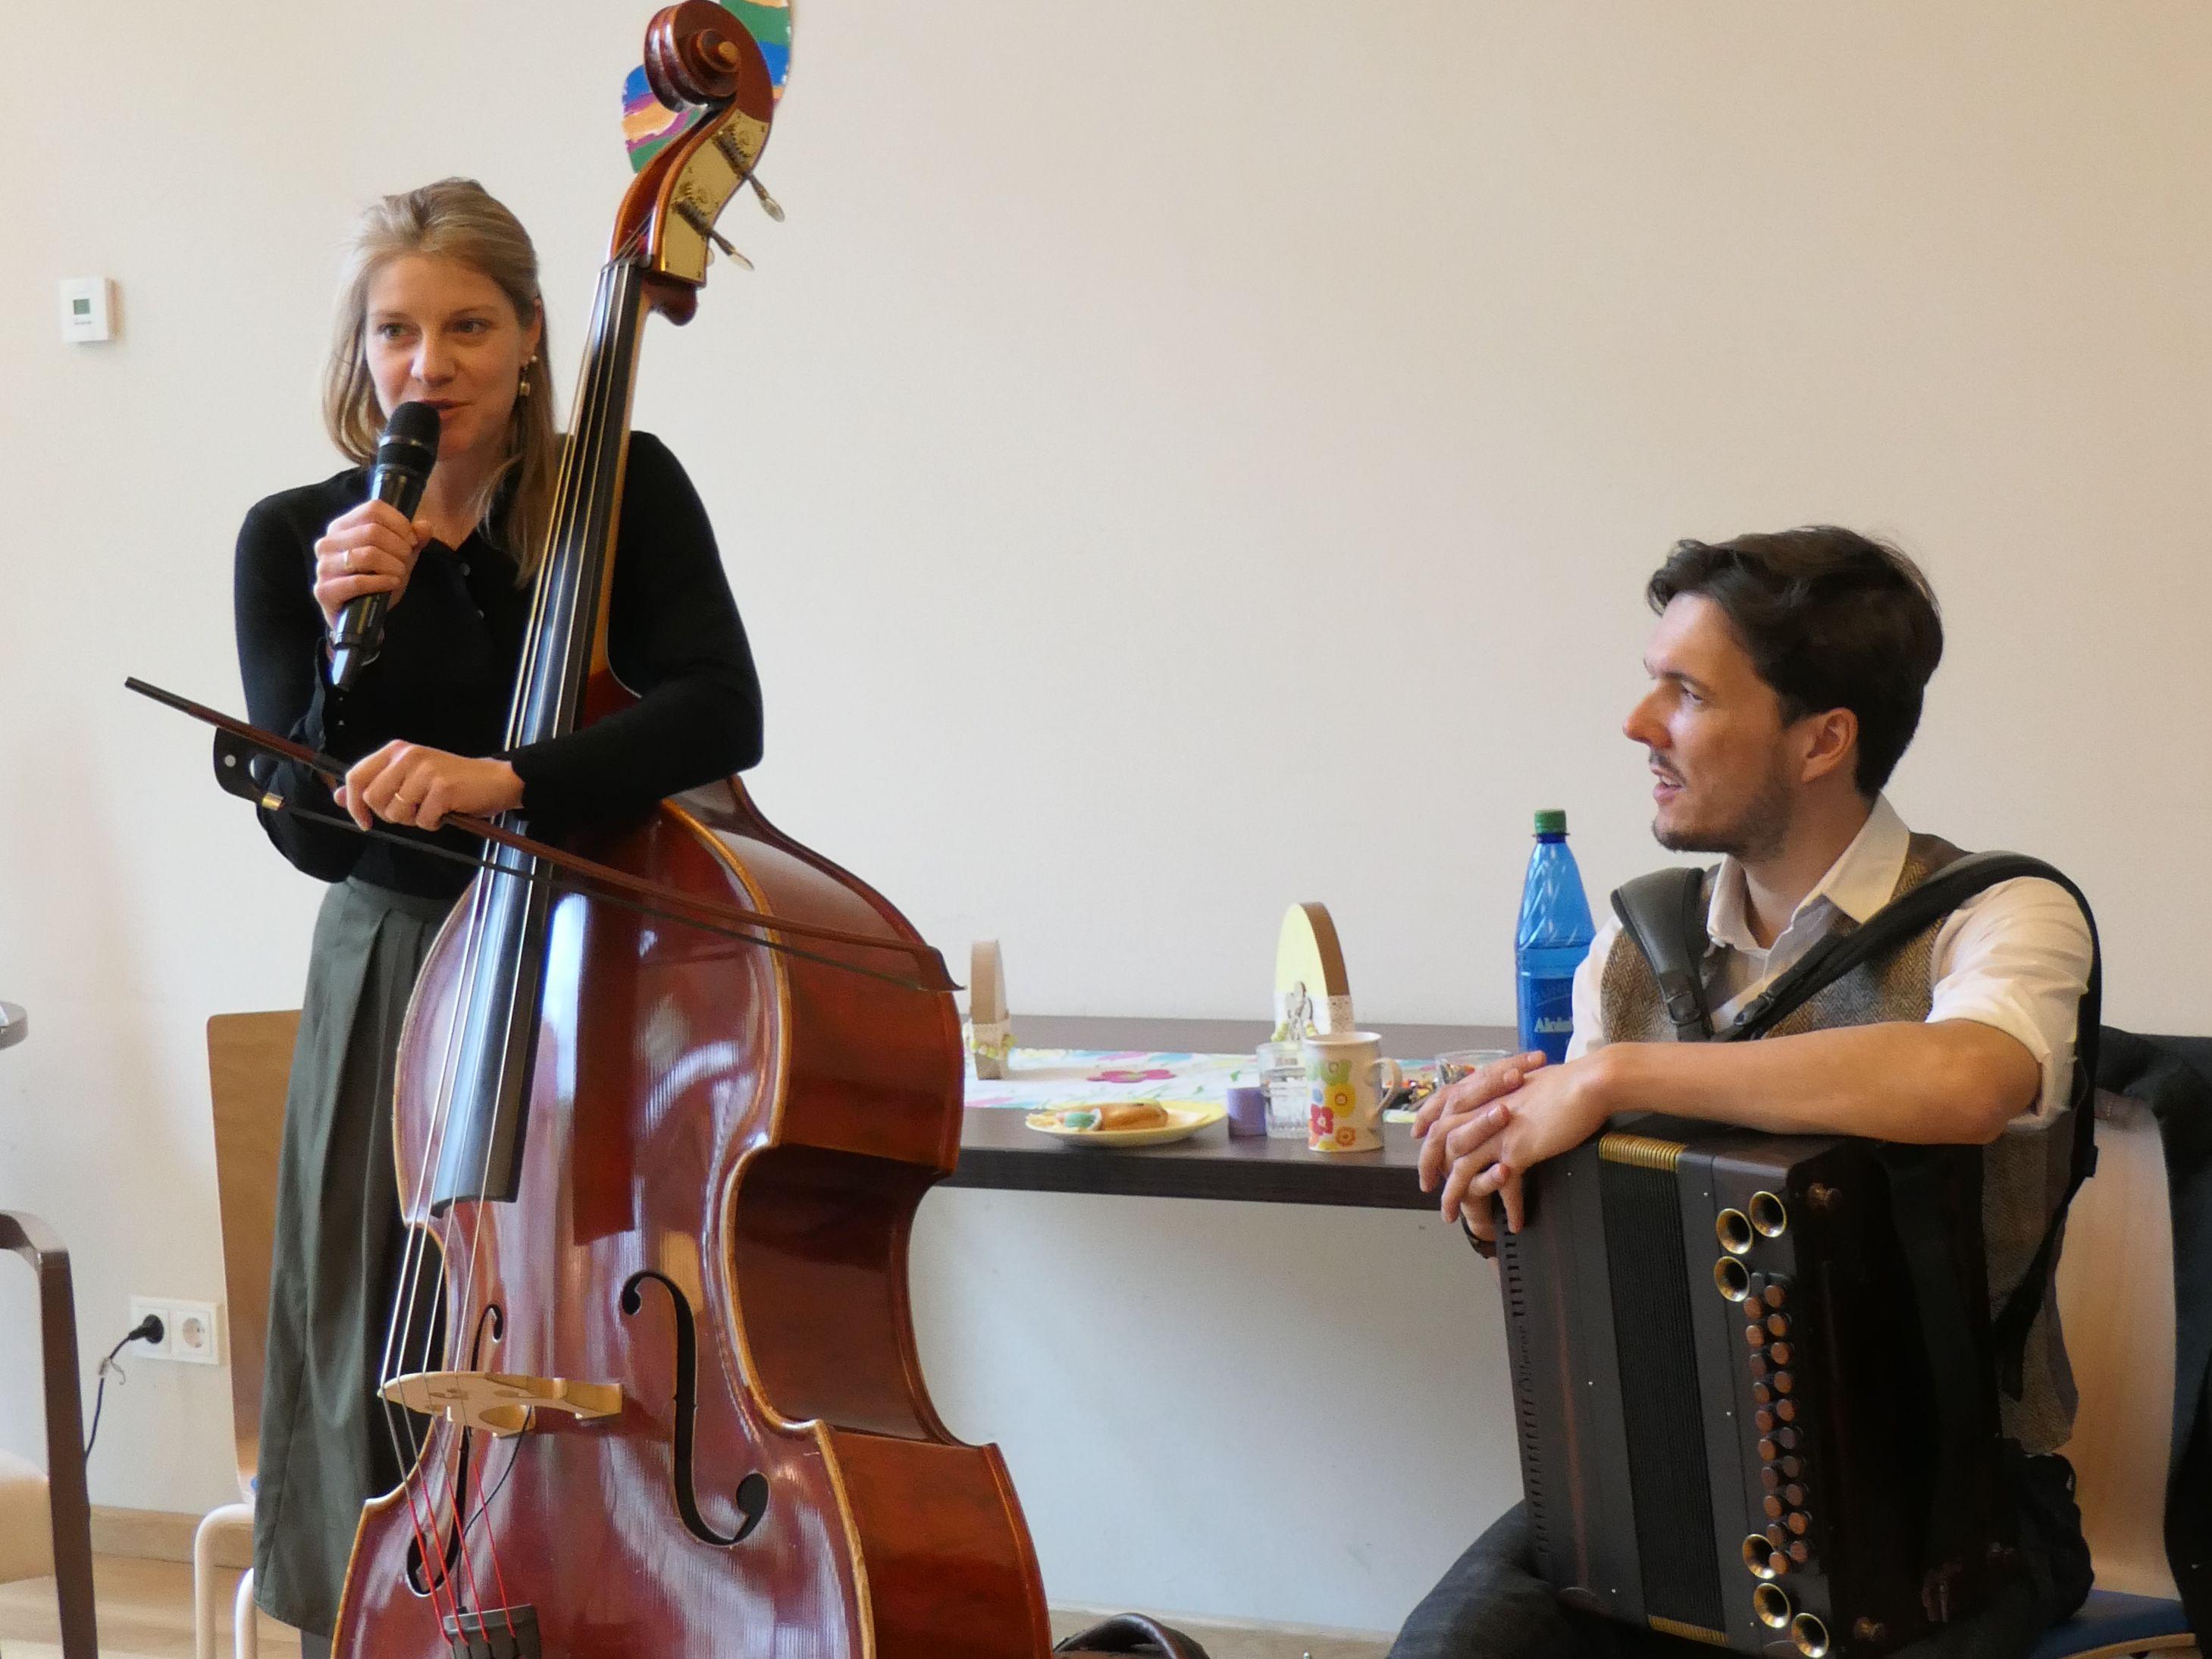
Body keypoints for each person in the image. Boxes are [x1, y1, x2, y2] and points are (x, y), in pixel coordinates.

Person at [1394, 528, 2095, 1659]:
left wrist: (1613, 1075)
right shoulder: (1633, 947)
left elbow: (1967, 1078)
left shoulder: (2000, 913)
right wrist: (1498, 1168)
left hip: (1949, 1500)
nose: (1638, 725)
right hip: (1661, 1468)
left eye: (1687, 693)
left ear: (1822, 739)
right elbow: (1589, 1230)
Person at [232, 177, 763, 1656]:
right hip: (400, 972)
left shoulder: (621, 490)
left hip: (598, 963)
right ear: (360, 350)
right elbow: (307, 832)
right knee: (379, 1327)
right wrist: (349, 644)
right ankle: (387, 1618)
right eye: (396, 330)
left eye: (468, 325)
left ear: (532, 336)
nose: (431, 363)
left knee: (593, 1318)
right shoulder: (297, 537)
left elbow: (720, 711)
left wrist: (508, 775)